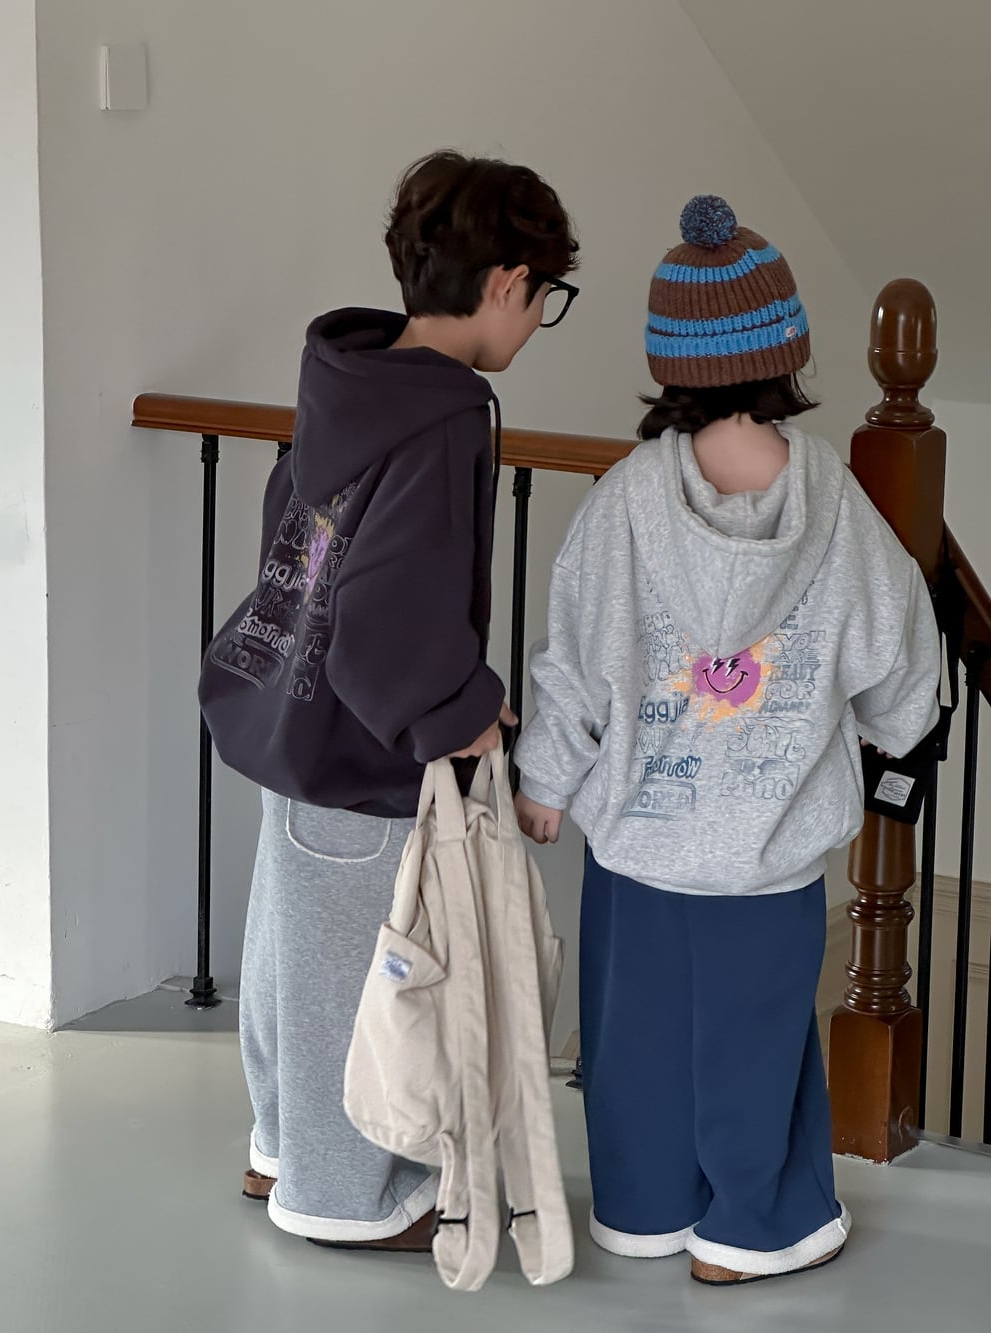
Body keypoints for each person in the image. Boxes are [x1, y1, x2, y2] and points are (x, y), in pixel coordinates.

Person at [514, 195, 940, 1285]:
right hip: (768, 851)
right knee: (755, 1044)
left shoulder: (622, 505)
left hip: (639, 845)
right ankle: (749, 1230)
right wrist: (898, 731)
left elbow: (575, 656)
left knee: (636, 1042)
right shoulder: (837, 509)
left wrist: (547, 778)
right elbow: (898, 650)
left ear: (670, 362)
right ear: (785, 353)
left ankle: (645, 1210)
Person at [198, 150, 578, 1251]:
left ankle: (279, 1148)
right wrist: (461, 711)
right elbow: (389, 614)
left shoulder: (350, 381)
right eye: (544, 298)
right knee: (348, 981)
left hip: (288, 714)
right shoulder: (442, 418)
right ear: (506, 282)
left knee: (286, 957)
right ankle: (342, 1197)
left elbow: (312, 551)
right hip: (362, 752)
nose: (536, 322)